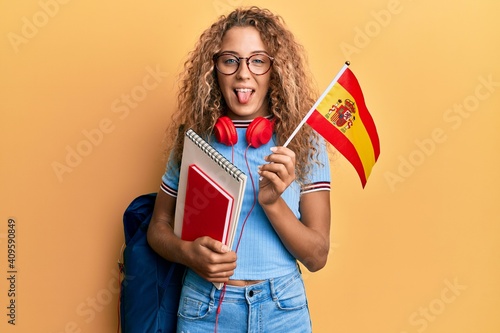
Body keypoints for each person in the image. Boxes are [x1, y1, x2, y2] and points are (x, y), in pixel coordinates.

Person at [147, 6, 331, 333]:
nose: (244, 73)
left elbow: (317, 257)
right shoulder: (193, 138)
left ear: (276, 70)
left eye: (258, 60)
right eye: (230, 60)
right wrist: (187, 252)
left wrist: (272, 202)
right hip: (204, 306)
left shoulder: (303, 141)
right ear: (213, 68)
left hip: (282, 308)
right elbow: (158, 228)